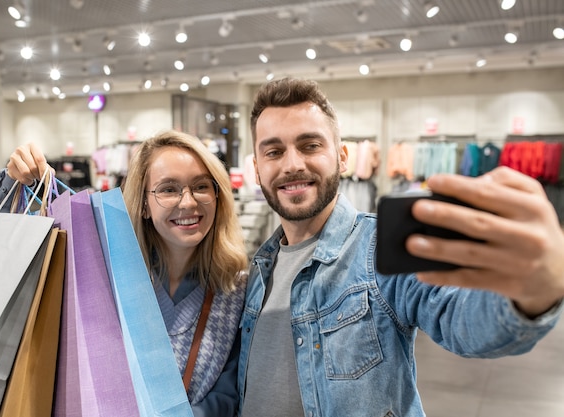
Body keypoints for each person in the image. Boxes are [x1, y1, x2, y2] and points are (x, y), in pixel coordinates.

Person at [237, 77, 564, 417]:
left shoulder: (378, 249)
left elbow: (463, 319)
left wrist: (534, 295)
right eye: (274, 152)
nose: (292, 164)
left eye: (310, 145)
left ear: (342, 157)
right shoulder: (258, 271)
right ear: (257, 168)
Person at [0, 130, 249, 417]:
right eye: (168, 189)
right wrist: (11, 183)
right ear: (144, 205)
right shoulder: (104, 272)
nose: (188, 202)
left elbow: (229, 393)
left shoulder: (236, 289)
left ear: (217, 194)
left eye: (201, 186)